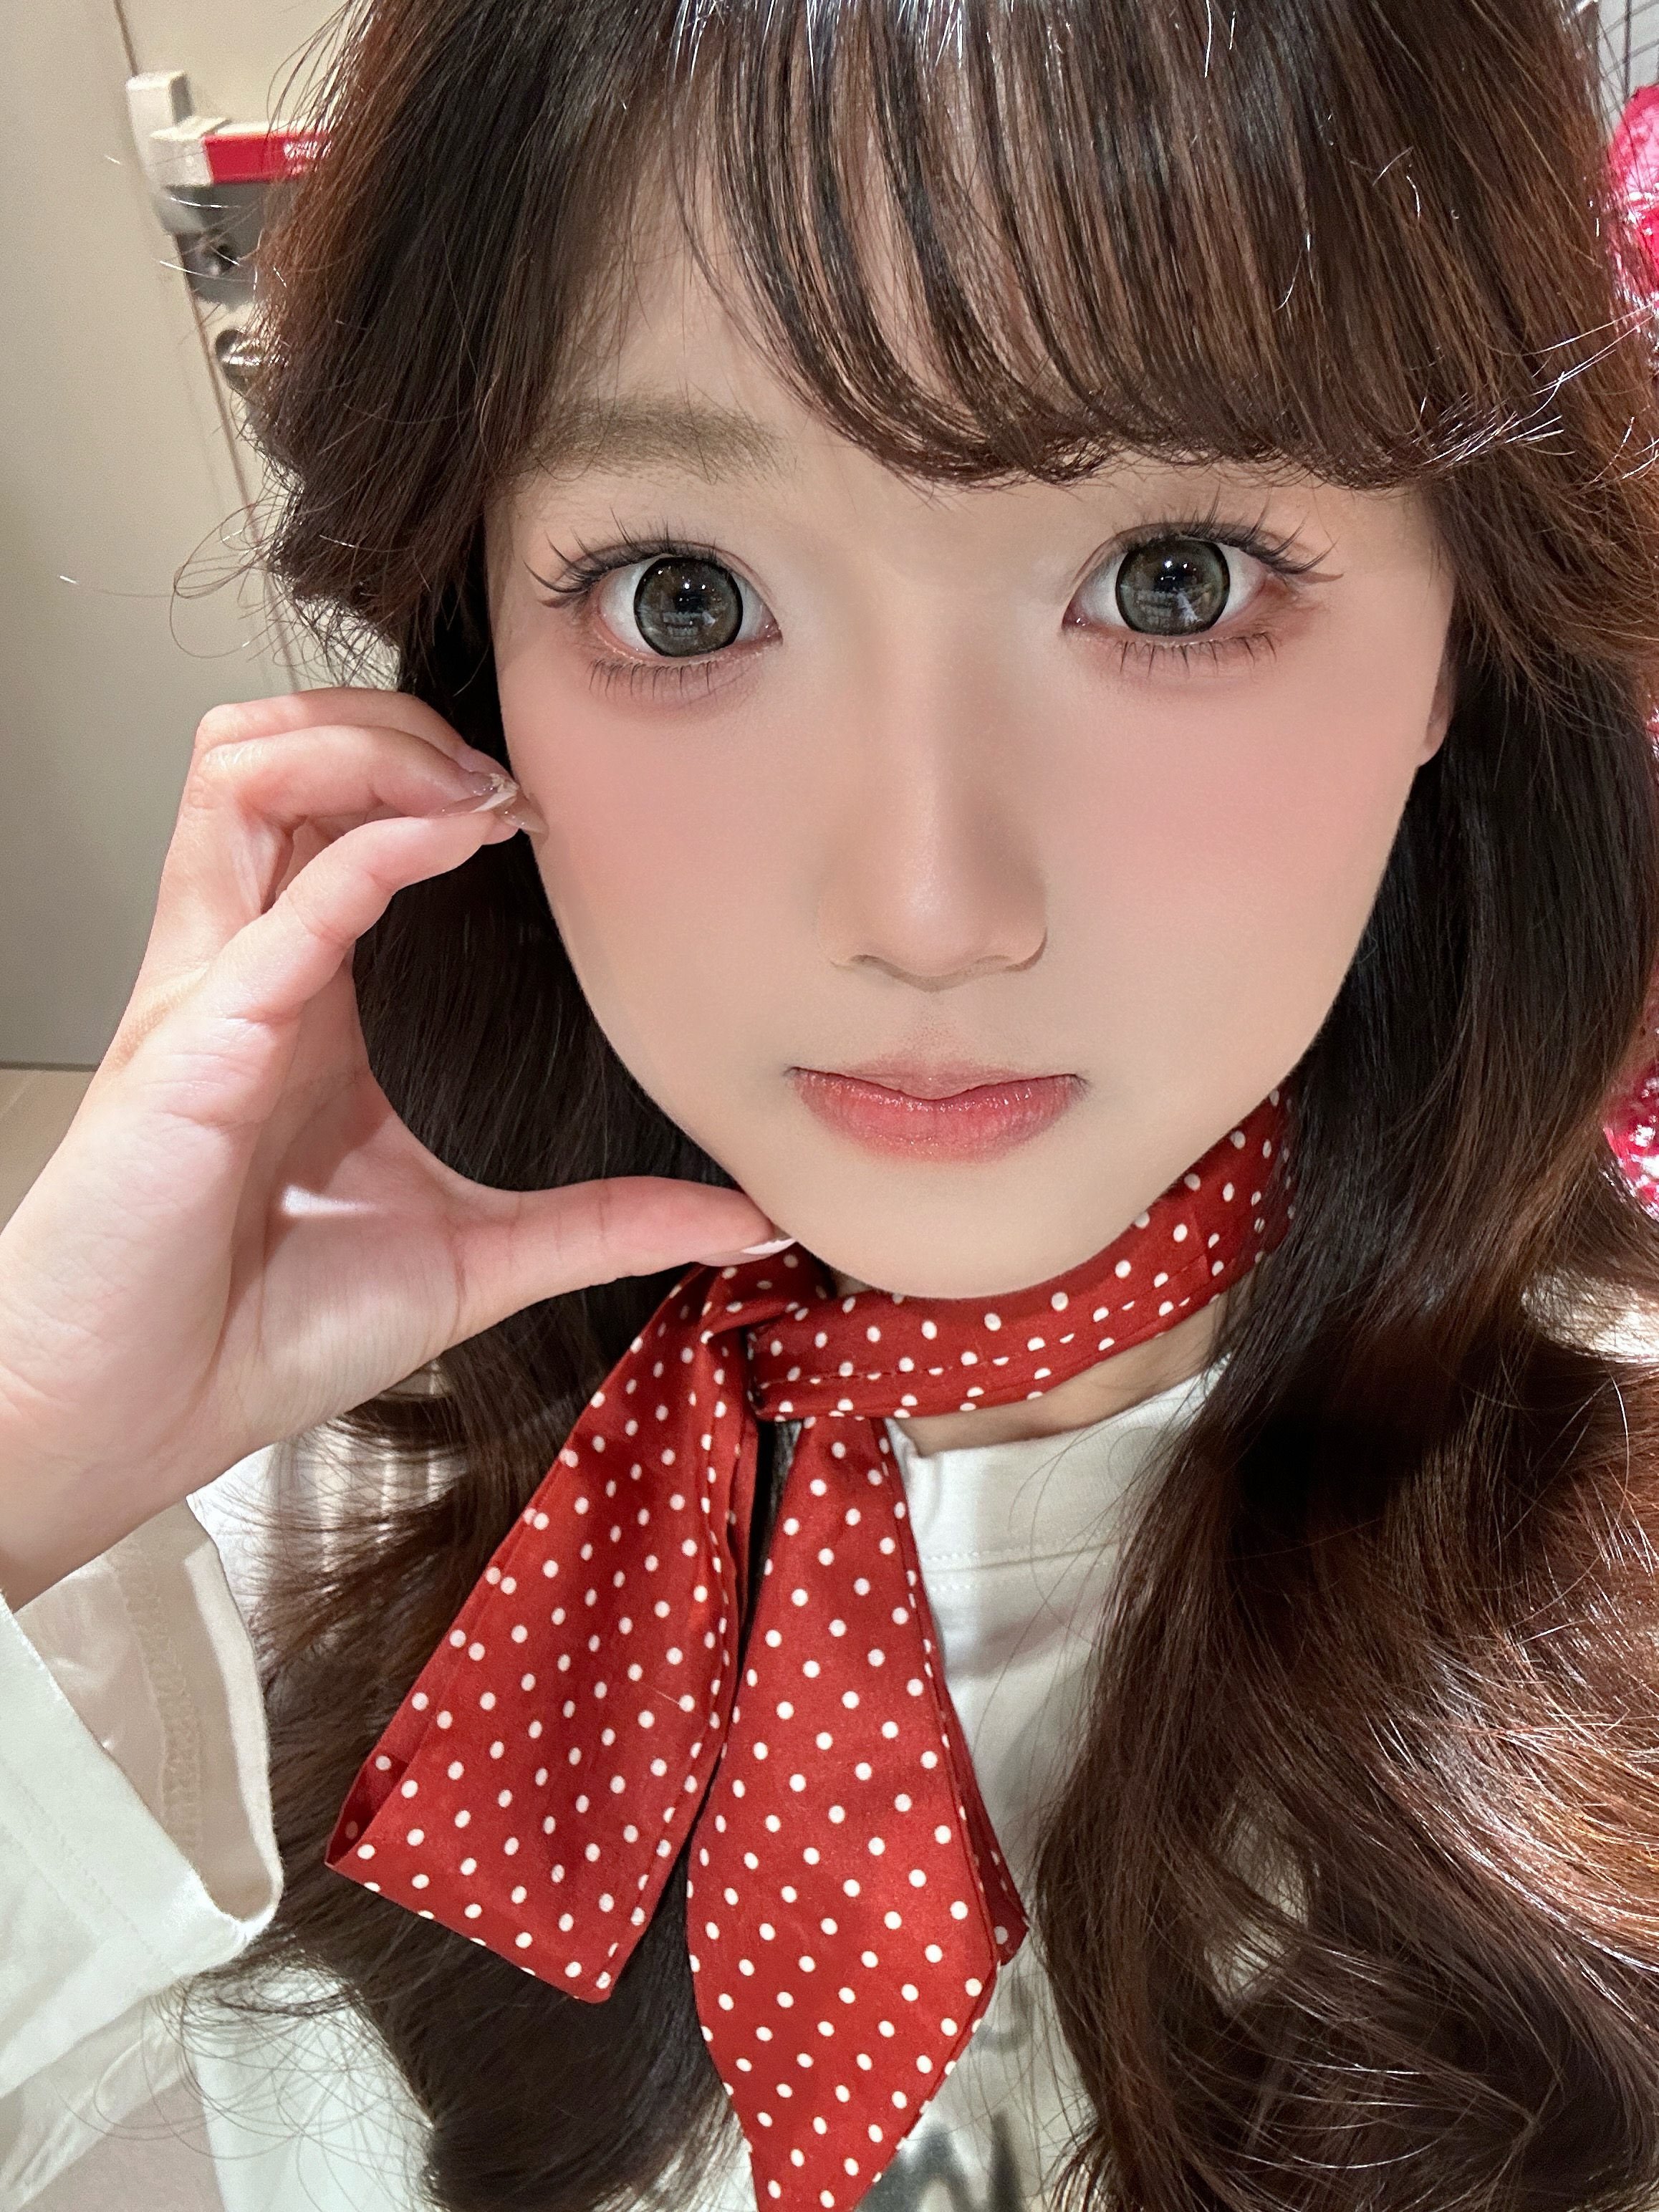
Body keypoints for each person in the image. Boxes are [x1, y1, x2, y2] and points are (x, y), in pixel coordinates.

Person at [6, 0, 1659, 2206]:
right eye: (684, 596)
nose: (927, 910)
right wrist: (32, 1453)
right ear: (480, 655)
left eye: (1168, 577)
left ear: (1459, 627)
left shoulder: (1612, 1571)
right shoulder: (235, 1519)